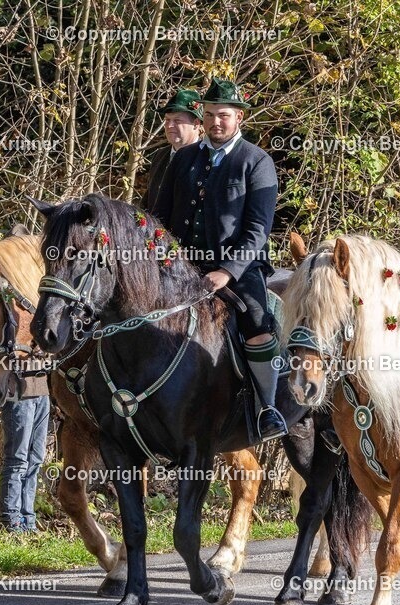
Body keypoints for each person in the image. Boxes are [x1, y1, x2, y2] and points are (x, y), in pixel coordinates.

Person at [154, 78, 287, 441]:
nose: (215, 122)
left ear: (239, 117)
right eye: (209, 114)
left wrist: (227, 272)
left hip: (239, 268)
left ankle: (267, 406)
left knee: (259, 324)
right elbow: (159, 218)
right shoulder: (182, 159)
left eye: (223, 115)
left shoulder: (256, 162)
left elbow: (258, 230)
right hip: (181, 267)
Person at [0, 358, 50, 533]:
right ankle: (11, 519)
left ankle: (28, 519)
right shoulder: (13, 331)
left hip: (41, 390)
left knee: (35, 459)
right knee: (17, 458)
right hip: (17, 392)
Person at [144, 89, 204, 213]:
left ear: (196, 123)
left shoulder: (207, 158)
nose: (169, 125)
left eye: (177, 121)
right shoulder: (160, 156)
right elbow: (149, 200)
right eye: (167, 120)